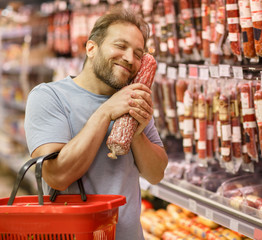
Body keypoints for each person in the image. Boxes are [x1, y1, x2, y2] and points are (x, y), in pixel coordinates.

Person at [24, 8, 168, 239]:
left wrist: (137, 134)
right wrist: (106, 112)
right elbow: (57, 176)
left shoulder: (132, 99)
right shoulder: (49, 96)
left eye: (138, 54)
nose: (130, 59)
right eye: (120, 46)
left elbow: (156, 174)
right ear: (91, 48)